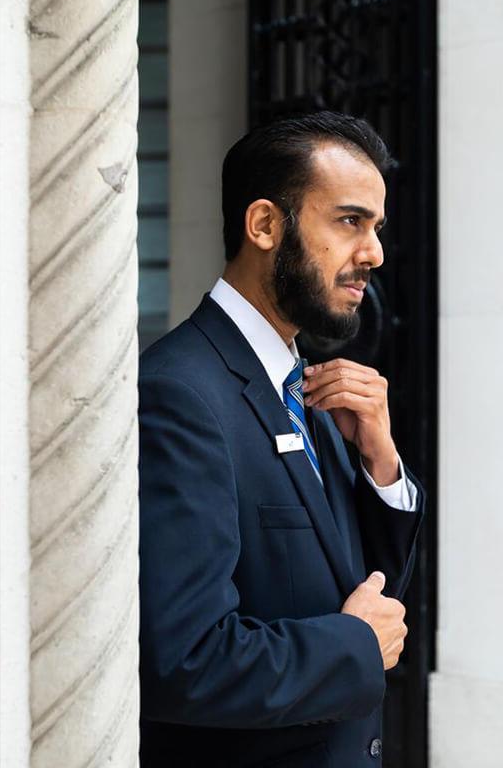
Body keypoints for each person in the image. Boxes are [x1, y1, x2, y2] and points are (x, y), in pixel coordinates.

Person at [138, 111, 425, 767]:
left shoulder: (308, 387)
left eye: (376, 228)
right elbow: (182, 661)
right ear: (264, 225)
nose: (374, 253)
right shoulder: (180, 394)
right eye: (350, 221)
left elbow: (367, 594)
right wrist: (354, 646)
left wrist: (383, 466)